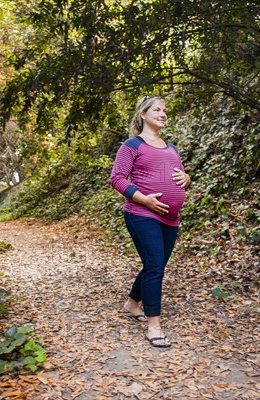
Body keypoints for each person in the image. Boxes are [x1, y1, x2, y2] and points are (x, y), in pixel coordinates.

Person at [110, 95, 191, 348]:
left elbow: (178, 176)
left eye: (165, 110)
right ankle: (154, 326)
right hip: (142, 214)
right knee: (155, 266)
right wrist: (144, 199)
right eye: (157, 109)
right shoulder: (132, 145)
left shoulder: (172, 148)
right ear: (143, 114)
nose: (163, 113)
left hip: (171, 218)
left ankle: (132, 302)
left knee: (154, 264)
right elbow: (117, 178)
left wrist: (187, 179)